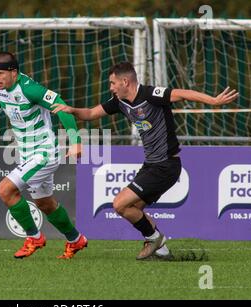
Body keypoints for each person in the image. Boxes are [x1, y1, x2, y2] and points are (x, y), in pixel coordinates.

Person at [51, 61, 238, 260]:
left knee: (119, 204)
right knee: (133, 209)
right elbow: (90, 114)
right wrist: (71, 110)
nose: (111, 88)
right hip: (151, 165)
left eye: (113, 83)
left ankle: (155, 237)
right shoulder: (119, 102)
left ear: (125, 81)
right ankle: (162, 250)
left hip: (166, 165)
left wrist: (213, 101)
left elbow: (182, 93)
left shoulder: (151, 94)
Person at [0, 51, 88, 259]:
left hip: (45, 152)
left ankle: (34, 237)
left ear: (13, 72)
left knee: (5, 190)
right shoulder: (0, 92)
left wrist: (75, 141)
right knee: (45, 204)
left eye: (0, 74)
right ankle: (76, 239)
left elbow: (62, 108)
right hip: (28, 154)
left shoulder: (30, 89)